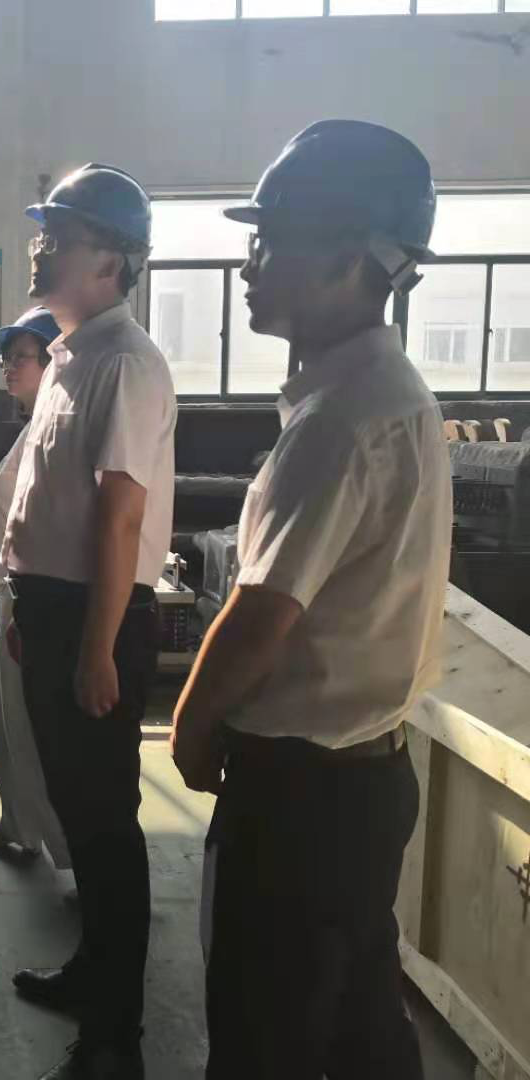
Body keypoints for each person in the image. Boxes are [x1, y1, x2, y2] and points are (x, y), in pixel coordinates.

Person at [172, 120, 447, 1080]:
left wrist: (190, 724)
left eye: (271, 239)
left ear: (348, 257)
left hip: (300, 801)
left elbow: (262, 614)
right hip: (360, 784)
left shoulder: (340, 420)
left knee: (263, 1039)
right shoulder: (389, 394)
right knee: (360, 1025)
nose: (249, 264)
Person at [3, 164, 177, 1080]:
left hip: (94, 619)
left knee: (107, 827)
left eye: (59, 235)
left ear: (110, 258)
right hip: (56, 612)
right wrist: (25, 607)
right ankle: (92, 972)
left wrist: (97, 648)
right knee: (80, 813)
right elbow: (54, 505)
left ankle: (116, 1033)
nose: (40, 247)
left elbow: (119, 516)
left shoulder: (126, 363)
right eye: (44, 232)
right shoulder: (71, 357)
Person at [0, 307, 71, 870]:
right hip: (13, 593)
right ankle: (17, 823)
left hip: (33, 597)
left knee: (33, 728)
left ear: (53, 361)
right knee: (5, 723)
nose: (9, 366)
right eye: (6, 357)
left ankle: (73, 852)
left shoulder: (58, 429)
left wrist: (26, 609)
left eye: (21, 357)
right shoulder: (34, 425)